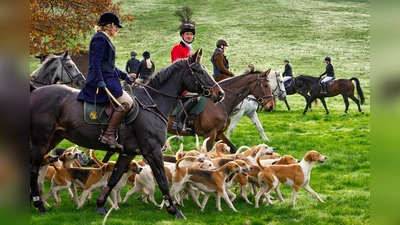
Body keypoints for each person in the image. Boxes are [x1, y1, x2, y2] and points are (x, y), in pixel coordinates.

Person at [77, 12, 134, 149]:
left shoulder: (106, 39)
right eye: (116, 27)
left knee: (130, 99)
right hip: (99, 80)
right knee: (126, 102)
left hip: (108, 77)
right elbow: (96, 63)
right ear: (109, 26)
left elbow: (108, 65)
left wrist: (124, 75)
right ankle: (108, 135)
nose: (117, 30)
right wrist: (100, 81)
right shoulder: (100, 39)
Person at [170, 23, 198, 131]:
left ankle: (191, 120)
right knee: (196, 96)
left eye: (191, 34)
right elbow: (177, 68)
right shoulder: (177, 48)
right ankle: (178, 121)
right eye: (187, 34)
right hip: (180, 83)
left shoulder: (190, 50)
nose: (189, 36)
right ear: (182, 35)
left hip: (189, 82)